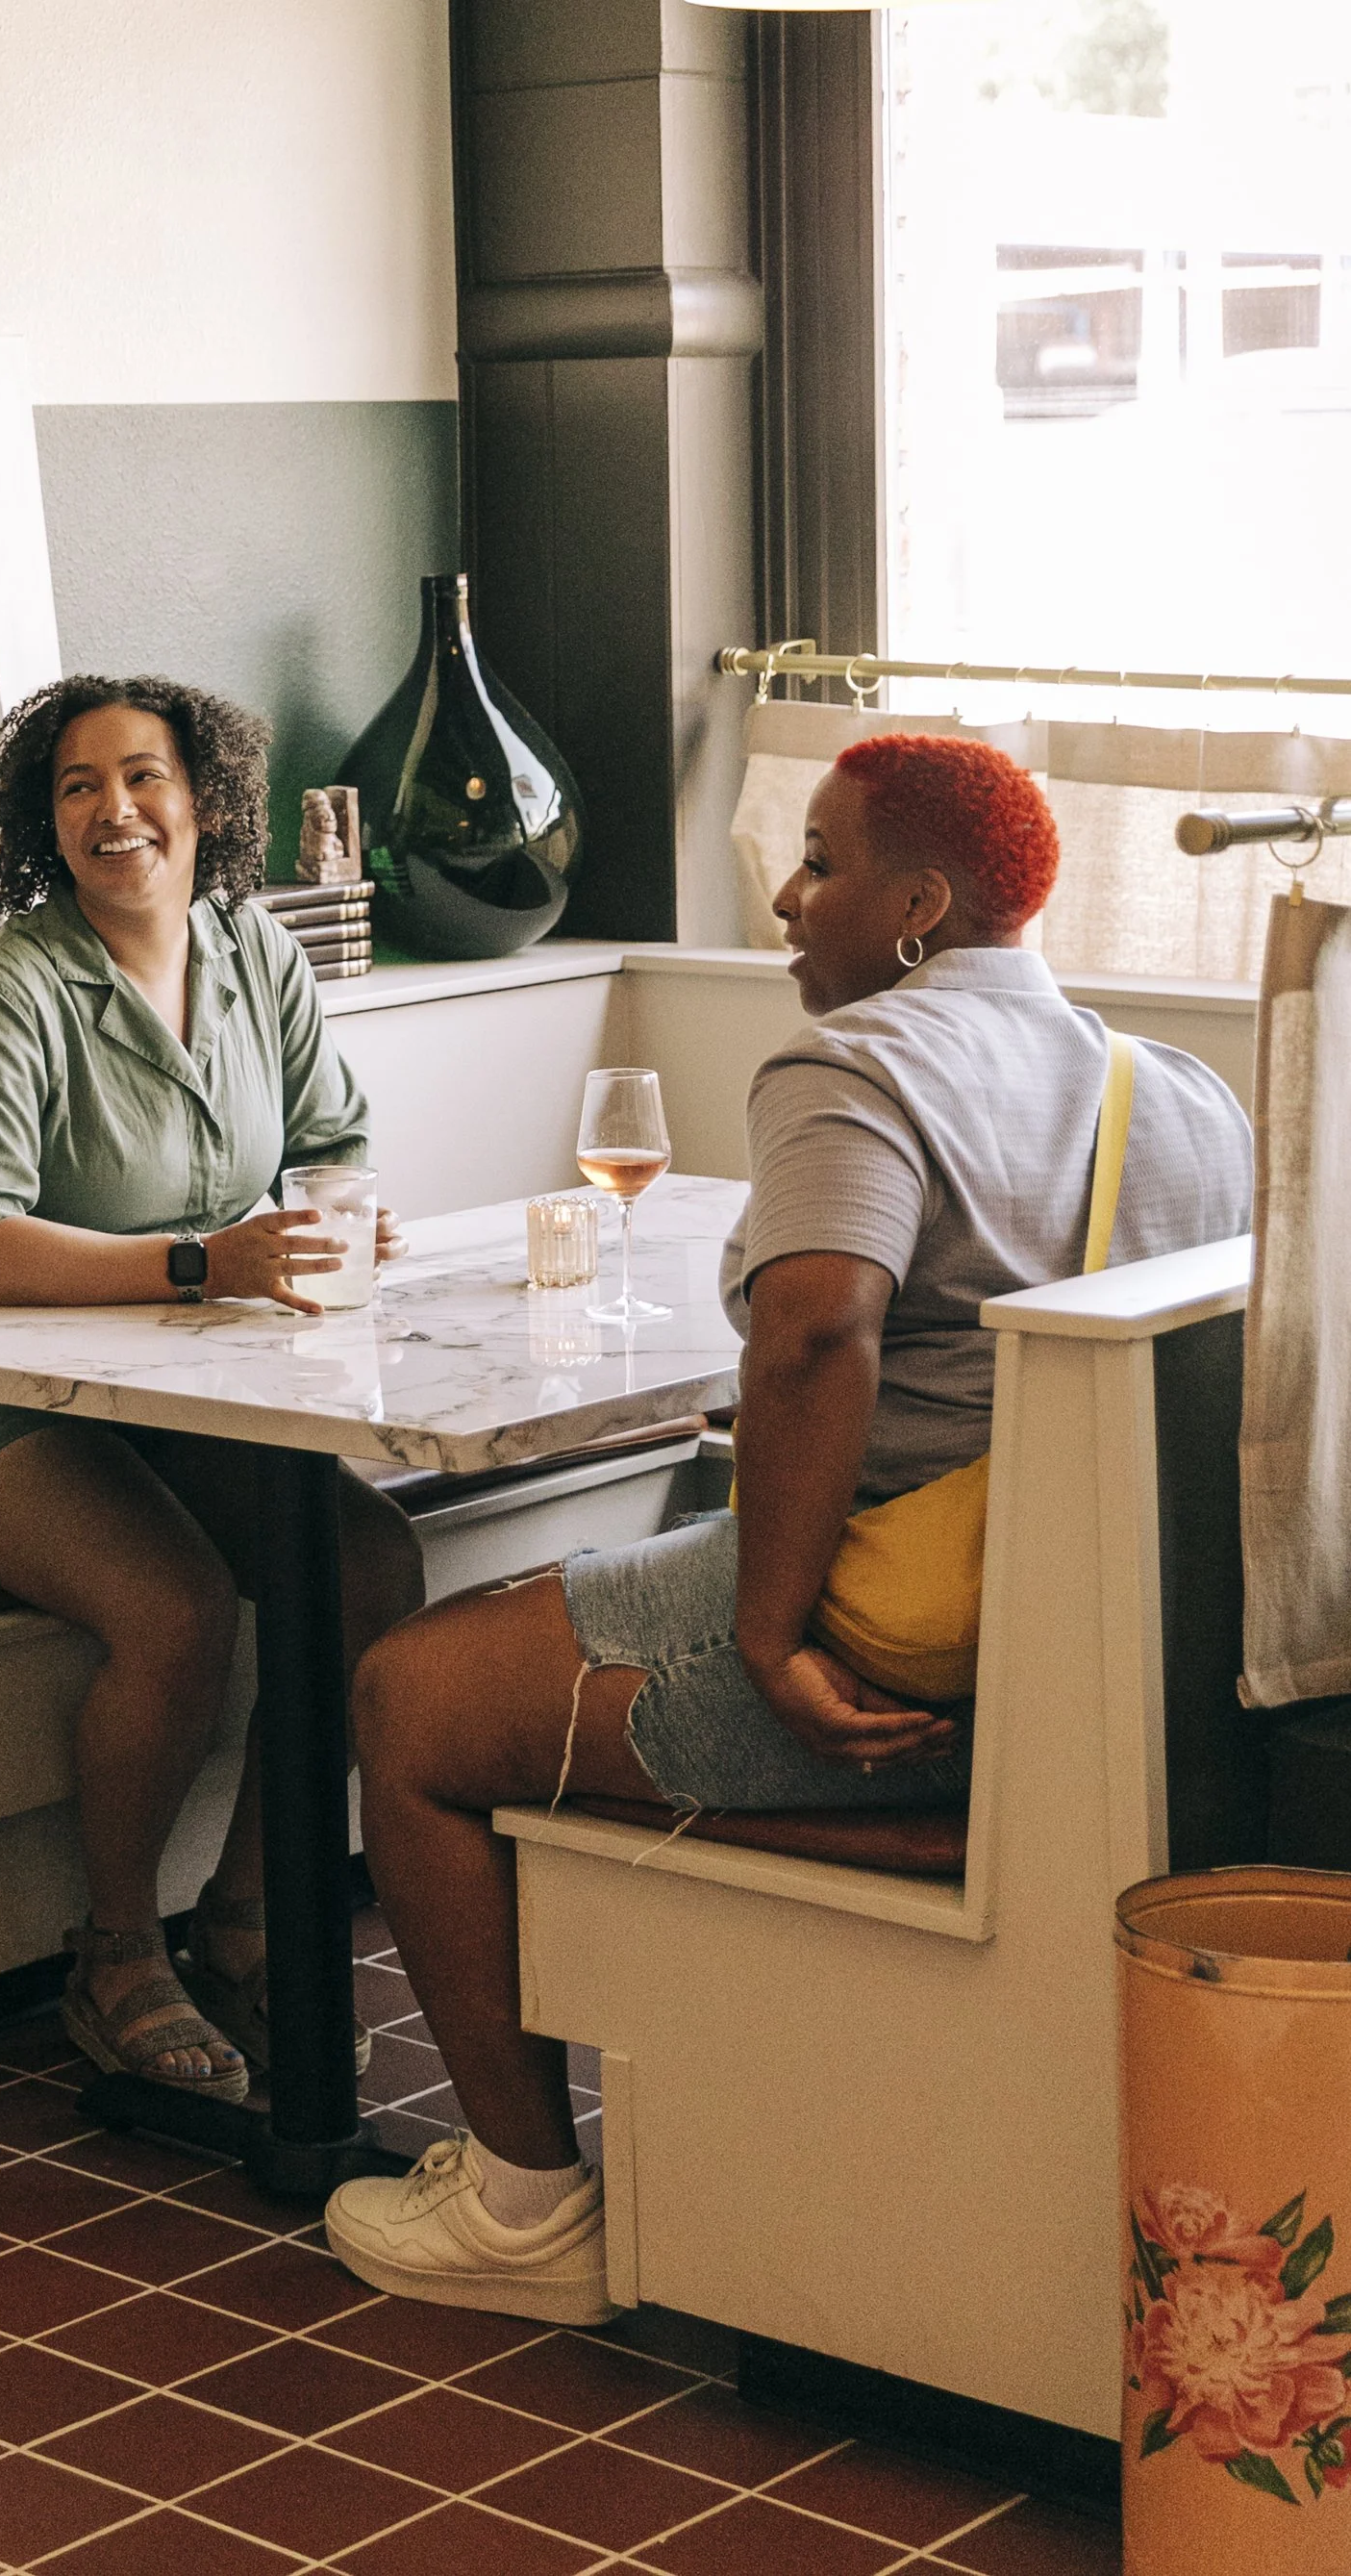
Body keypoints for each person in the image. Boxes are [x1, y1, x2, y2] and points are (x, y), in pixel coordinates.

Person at [326, 732, 1253, 2321]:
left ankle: (523, 2203)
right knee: (626, 1547)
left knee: (406, 1695)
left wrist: (766, 1632)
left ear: (921, 901)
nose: (783, 893)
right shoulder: (1174, 1087)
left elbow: (818, 1333)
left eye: (820, 859)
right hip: (1111, 1663)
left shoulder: (857, 1064)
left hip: (901, 1666)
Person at [0, 673, 425, 2103]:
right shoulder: (4, 989)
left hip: (160, 1384)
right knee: (174, 1607)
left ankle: (245, 1915)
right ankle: (112, 1953)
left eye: (143, 776)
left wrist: (348, 1218)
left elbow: (335, 1139)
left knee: (366, 1563)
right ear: (47, 824)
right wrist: (202, 1259)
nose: (115, 810)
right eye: (78, 786)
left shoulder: (252, 955)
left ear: (204, 800)